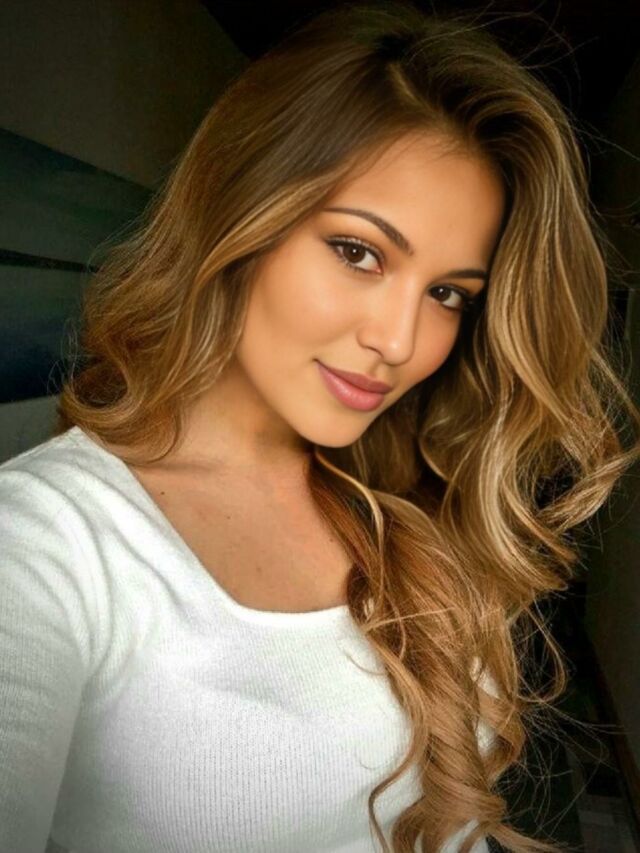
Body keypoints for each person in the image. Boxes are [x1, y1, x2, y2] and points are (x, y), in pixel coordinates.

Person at [1, 2, 638, 852]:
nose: (400, 342)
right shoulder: (44, 542)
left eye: (448, 294)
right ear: (240, 213)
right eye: (359, 251)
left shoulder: (402, 502)